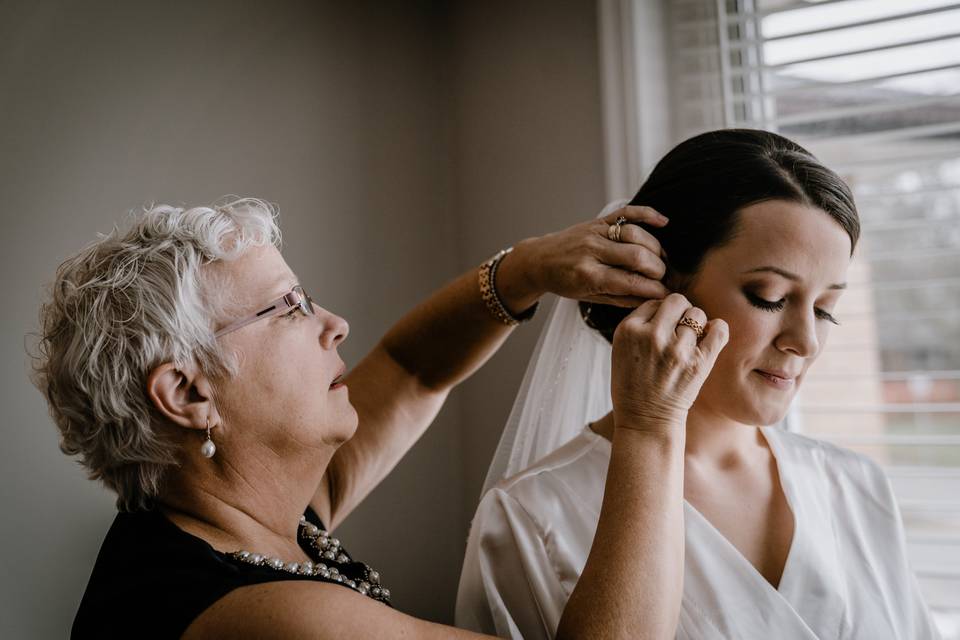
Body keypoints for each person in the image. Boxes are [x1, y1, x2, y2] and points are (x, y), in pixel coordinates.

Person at [32, 195, 712, 639]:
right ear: (187, 393)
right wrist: (651, 424)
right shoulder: (271, 621)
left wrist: (528, 267)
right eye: (288, 308)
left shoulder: (238, 525)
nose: (334, 324)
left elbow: (413, 368)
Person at [457, 129, 942, 640]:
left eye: (826, 310)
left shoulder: (855, 486)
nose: (806, 342)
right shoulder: (533, 517)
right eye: (769, 296)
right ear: (656, 286)